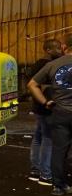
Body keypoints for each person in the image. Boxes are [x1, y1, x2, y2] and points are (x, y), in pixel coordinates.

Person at [28, 34, 72, 196]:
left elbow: (32, 85)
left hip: (59, 112)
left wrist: (45, 102)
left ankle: (58, 185)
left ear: (65, 47)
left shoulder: (52, 65)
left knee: (58, 149)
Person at [27, 39, 63, 186]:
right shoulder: (47, 65)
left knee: (39, 137)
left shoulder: (38, 64)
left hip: (39, 106)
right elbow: (39, 86)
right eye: (58, 48)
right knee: (48, 139)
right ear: (48, 50)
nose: (61, 50)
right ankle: (45, 174)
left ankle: (35, 170)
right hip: (47, 106)